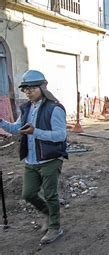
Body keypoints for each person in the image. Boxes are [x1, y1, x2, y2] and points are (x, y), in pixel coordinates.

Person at [0, 70, 67, 244]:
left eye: (32, 88)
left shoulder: (55, 108)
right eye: (25, 89)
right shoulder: (27, 108)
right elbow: (17, 129)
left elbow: (60, 136)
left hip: (50, 160)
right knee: (28, 193)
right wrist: (1, 122)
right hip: (31, 160)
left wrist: (35, 132)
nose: (28, 92)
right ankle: (47, 213)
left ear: (42, 87)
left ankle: (55, 227)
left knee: (51, 194)